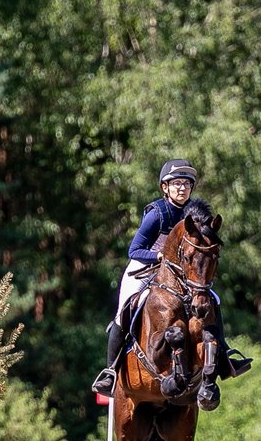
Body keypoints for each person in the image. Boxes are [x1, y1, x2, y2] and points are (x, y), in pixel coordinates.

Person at [91, 158, 252, 396]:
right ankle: (111, 371)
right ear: (165, 188)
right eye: (176, 184)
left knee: (213, 301)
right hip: (145, 265)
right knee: (124, 310)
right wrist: (158, 257)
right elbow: (134, 250)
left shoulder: (195, 214)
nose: (181, 188)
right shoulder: (157, 214)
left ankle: (224, 355)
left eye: (186, 184)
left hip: (180, 272)